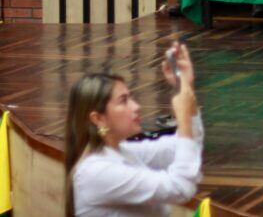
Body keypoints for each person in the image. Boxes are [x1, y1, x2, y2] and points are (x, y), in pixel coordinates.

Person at [66, 42, 202, 217]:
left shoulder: (124, 152)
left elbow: (186, 145)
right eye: (123, 101)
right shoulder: (96, 171)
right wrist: (183, 118)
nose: (136, 106)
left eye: (131, 98)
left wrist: (184, 86)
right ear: (98, 118)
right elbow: (180, 188)